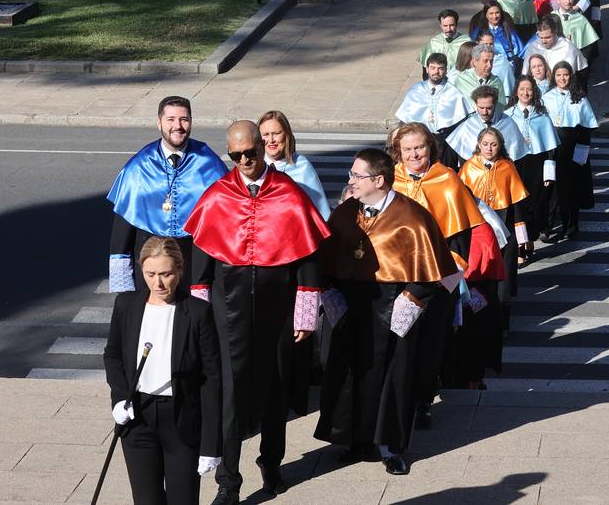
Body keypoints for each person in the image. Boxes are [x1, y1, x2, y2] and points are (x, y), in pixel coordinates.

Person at [184, 121, 329, 503]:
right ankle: (228, 482)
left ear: (263, 148)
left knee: (275, 387)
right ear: (229, 154)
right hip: (226, 311)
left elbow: (308, 261)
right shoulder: (216, 196)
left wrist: (305, 313)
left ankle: (272, 462)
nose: (245, 160)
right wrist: (198, 319)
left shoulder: (289, 194)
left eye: (251, 152)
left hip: (277, 308)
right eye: (236, 155)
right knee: (230, 395)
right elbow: (201, 267)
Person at [313, 147, 460, 477]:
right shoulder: (347, 211)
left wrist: (407, 304)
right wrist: (331, 292)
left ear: (378, 179)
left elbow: (434, 272)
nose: (350, 180)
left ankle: (389, 447)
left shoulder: (412, 217)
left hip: (392, 305)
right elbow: (328, 257)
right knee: (350, 374)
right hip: (352, 305)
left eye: (356, 175)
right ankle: (354, 439)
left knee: (393, 377)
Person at [389, 123, 504, 422]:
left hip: (436, 282)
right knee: (398, 345)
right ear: (397, 153)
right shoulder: (390, 181)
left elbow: (461, 242)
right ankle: (395, 401)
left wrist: (446, 281)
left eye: (419, 147)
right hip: (394, 279)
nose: (414, 154)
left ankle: (422, 402)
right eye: (407, 149)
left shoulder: (448, 180)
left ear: (430, 148)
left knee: (430, 345)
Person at [105, 236, 222, 505]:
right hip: (138, 417)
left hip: (181, 419)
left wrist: (211, 445)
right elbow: (113, 356)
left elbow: (212, 379)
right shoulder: (126, 306)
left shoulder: (198, 312)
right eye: (150, 274)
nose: (158, 283)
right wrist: (120, 397)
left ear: (180, 271)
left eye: (166, 274)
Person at [108, 96, 225, 296]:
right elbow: (122, 233)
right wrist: (124, 290)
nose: (177, 126)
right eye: (171, 119)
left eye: (184, 119)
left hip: (193, 268)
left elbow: (223, 228)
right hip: (149, 271)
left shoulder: (210, 164)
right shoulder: (138, 166)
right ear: (159, 122)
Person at [459, 126, 528, 344]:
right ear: (478, 145)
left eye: (494, 144)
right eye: (485, 144)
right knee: (478, 276)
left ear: (501, 146)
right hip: (477, 227)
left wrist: (523, 238)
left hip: (503, 226)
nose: (489, 148)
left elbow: (517, 205)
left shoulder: (508, 167)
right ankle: (478, 318)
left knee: (503, 279)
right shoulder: (468, 168)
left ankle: (502, 322)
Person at [542, 62, 598, 242]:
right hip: (553, 149)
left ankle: (570, 226)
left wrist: (581, 156)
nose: (562, 78)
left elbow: (586, 129)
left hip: (572, 148)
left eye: (565, 75)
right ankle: (547, 226)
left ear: (570, 76)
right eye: (558, 75)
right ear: (554, 77)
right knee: (550, 189)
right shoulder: (547, 97)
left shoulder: (580, 98)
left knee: (570, 190)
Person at [504, 77, 559, 261]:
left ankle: (530, 239)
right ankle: (521, 244)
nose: (525, 93)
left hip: (536, 166)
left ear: (534, 92)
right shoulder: (508, 115)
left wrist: (549, 173)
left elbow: (551, 149)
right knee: (517, 207)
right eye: (522, 89)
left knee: (534, 206)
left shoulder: (542, 115)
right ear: (516, 91)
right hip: (516, 165)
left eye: (529, 89)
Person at [396, 52, 473, 166]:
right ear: (427, 69)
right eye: (433, 68)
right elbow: (405, 119)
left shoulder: (453, 92)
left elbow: (460, 123)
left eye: (440, 68)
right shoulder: (416, 90)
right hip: (419, 141)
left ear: (446, 70)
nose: (436, 72)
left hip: (444, 141)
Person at [259, 110, 330, 220]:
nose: (271, 140)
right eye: (266, 135)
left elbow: (321, 214)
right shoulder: (254, 167)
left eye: (276, 133)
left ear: (286, 135)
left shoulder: (302, 167)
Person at [445, 84, 529, 163]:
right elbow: (452, 158)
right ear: (476, 105)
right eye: (481, 108)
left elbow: (519, 159)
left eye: (488, 108)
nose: (484, 112)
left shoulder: (508, 123)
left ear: (495, 105)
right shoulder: (467, 126)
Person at [418, 9, 472, 75]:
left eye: (451, 25)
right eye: (445, 26)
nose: (449, 29)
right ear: (440, 25)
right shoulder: (434, 42)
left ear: (456, 24)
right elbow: (425, 68)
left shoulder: (467, 42)